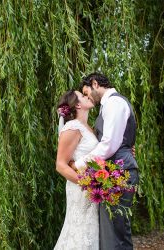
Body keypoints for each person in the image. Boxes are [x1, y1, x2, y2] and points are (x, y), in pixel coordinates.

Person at [71, 72, 139, 250]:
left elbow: (109, 144)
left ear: (95, 84)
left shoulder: (114, 103)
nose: (87, 97)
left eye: (86, 93)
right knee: (113, 231)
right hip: (114, 172)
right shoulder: (107, 105)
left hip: (120, 172)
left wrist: (79, 164)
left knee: (116, 233)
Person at [54, 90, 99, 250]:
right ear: (78, 104)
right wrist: (87, 184)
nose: (88, 96)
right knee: (80, 232)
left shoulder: (88, 127)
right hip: (81, 189)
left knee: (89, 231)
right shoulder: (72, 127)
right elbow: (60, 164)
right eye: (83, 95)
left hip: (91, 188)